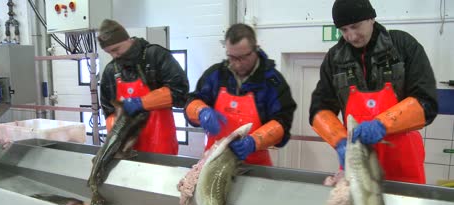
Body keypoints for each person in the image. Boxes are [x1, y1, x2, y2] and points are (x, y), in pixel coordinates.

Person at [309, 0, 438, 184]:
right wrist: (340, 141)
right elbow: (319, 109)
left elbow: (427, 103)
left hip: (403, 163)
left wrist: (382, 125)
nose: (352, 36)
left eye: (355, 26)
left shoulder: (403, 46)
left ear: (371, 18)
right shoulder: (334, 59)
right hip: (357, 163)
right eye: (344, 30)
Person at [184, 23, 297, 166]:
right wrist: (201, 111)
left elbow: (283, 121)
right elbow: (192, 101)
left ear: (255, 49)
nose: (237, 64)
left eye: (242, 58)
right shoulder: (215, 75)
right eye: (232, 57)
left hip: (256, 167)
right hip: (214, 162)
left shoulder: (272, 82)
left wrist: (254, 141)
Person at [98, 19, 189, 155]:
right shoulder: (111, 71)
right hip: (129, 148)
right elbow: (109, 109)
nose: (114, 55)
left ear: (127, 39)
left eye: (116, 49)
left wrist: (141, 103)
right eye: (109, 52)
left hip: (161, 146)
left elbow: (180, 91)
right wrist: (117, 132)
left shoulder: (155, 56)